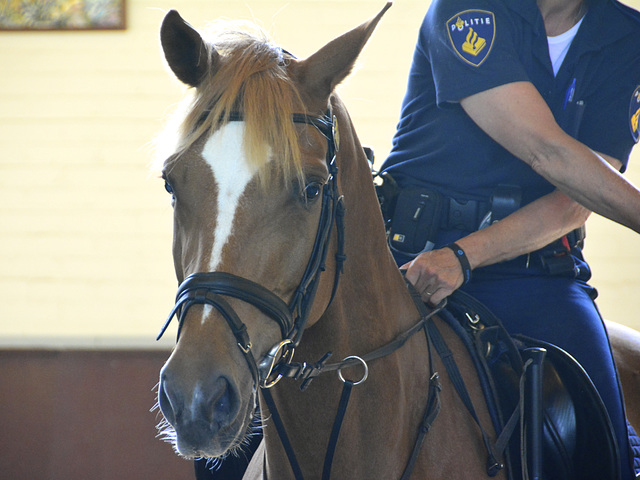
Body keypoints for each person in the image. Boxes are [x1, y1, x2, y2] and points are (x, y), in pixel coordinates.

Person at [379, 0, 640, 477]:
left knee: (604, 440)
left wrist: (464, 257)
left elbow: (577, 199)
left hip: (534, 271)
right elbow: (546, 151)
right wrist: (450, 254)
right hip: (411, 255)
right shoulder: (467, 8)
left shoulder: (628, 36)